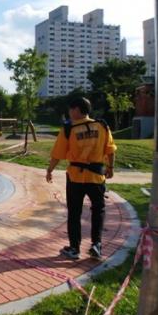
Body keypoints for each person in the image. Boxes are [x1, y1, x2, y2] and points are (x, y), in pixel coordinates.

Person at [46, 97, 117, 260]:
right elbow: (110, 150)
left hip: (75, 178)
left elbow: (57, 154)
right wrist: (110, 168)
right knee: (98, 210)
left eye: (71, 109)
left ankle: (74, 248)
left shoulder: (69, 129)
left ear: (77, 109)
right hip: (96, 176)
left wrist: (50, 170)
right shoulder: (102, 126)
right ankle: (96, 244)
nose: (69, 113)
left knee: (74, 212)